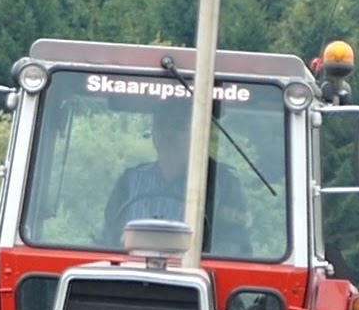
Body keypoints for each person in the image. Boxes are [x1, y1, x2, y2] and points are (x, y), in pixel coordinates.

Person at [101, 101, 249, 252]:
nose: (168, 133)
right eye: (161, 125)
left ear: (197, 133)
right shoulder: (129, 181)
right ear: (152, 132)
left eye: (178, 126)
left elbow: (232, 244)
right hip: (130, 270)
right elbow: (108, 238)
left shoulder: (221, 183)